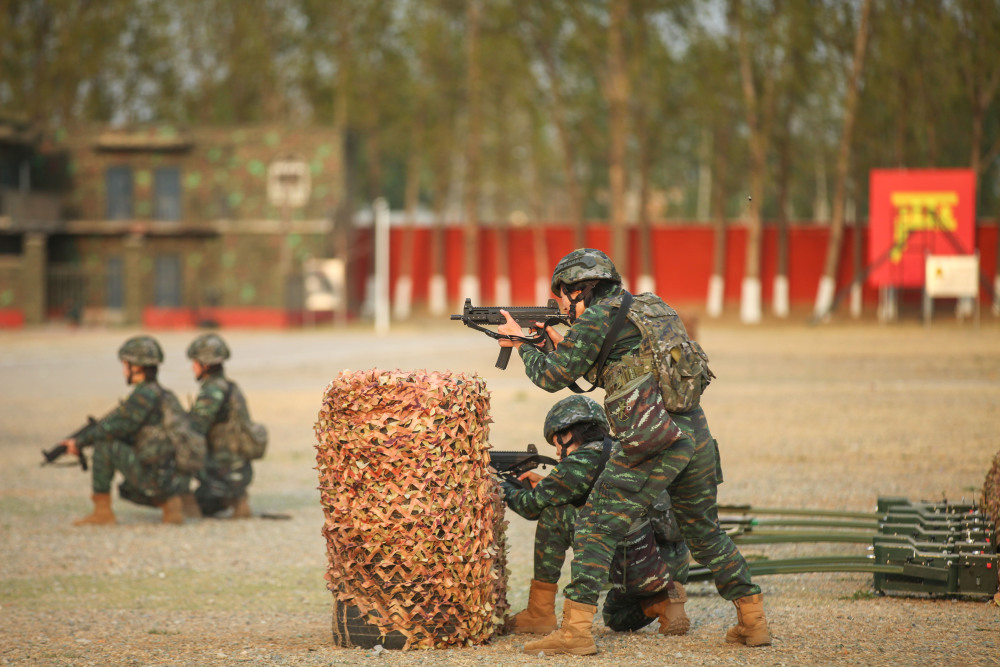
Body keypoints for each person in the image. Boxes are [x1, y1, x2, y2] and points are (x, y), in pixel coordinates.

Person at [497, 248, 770, 656]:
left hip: (652, 436)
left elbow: (553, 377)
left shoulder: (595, 318)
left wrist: (522, 345)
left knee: (594, 524)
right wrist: (557, 341)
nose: (560, 305)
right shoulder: (647, 307)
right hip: (694, 431)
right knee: (703, 529)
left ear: (580, 289)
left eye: (561, 296)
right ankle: (753, 621)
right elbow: (617, 363)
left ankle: (574, 632)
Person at [501, 395, 691, 638]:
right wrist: (548, 485)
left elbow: (529, 507)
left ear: (568, 433)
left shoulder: (582, 461)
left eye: (556, 443)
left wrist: (504, 488)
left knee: (554, 514)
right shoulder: (623, 450)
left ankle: (540, 613)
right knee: (615, 617)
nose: (558, 451)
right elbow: (589, 493)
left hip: (628, 564)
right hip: (664, 564)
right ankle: (664, 601)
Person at [63, 335, 190, 526]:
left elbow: (113, 429)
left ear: (137, 367)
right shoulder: (166, 395)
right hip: (175, 481)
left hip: (155, 481)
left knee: (105, 443)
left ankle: (102, 512)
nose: (123, 371)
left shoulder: (142, 396)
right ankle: (171, 506)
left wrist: (79, 442)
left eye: (126, 365)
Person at [185, 332, 254, 519]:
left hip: (221, 472)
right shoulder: (232, 387)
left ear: (205, 364)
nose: (193, 367)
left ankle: (178, 499)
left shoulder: (212, 391)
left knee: (179, 442)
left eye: (195, 362)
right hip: (241, 472)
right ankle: (237, 499)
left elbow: (193, 430)